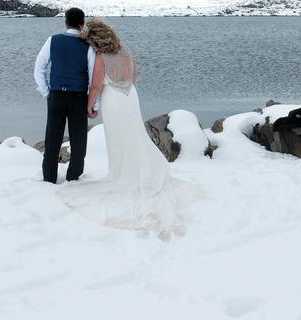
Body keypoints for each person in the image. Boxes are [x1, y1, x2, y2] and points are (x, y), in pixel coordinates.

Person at [56, 18, 199, 237]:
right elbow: (134, 76)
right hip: (131, 96)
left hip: (113, 99)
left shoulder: (102, 57)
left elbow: (96, 86)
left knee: (119, 139)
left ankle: (122, 175)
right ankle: (140, 171)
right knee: (135, 135)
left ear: (94, 40)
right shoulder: (126, 50)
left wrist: (89, 106)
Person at [33, 7, 96, 184]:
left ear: (65, 22)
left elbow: (39, 68)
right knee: (78, 140)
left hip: (56, 96)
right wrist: (94, 104)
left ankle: (49, 178)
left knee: (52, 138)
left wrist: (46, 91)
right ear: (82, 24)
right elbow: (93, 78)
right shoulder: (88, 46)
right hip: (79, 97)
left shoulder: (52, 41)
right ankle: (73, 177)